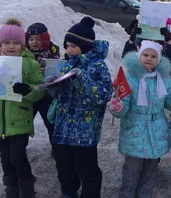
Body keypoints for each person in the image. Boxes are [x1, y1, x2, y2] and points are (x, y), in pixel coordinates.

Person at [46, 17, 113, 198]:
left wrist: (81, 76)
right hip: (63, 128)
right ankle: (68, 193)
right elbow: (60, 96)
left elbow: (103, 95)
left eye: (73, 46)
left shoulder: (97, 66)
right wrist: (52, 86)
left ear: (85, 46)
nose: (69, 50)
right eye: (67, 46)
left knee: (87, 169)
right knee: (64, 169)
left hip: (85, 131)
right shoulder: (66, 64)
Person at [109, 41, 171, 198]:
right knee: (131, 172)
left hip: (156, 131)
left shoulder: (163, 78)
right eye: (145, 55)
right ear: (139, 56)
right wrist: (118, 107)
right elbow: (124, 102)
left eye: (153, 56)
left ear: (158, 59)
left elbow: (168, 98)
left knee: (149, 172)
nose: (149, 59)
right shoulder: (130, 78)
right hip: (134, 131)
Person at [0, 19, 45, 198]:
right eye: (6, 42)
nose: (11, 46)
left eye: (16, 43)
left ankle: (27, 189)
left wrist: (27, 90)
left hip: (20, 118)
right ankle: (11, 189)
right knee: (5, 159)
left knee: (17, 157)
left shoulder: (30, 63)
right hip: (1, 122)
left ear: (22, 44)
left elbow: (40, 91)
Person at [25, 22, 60, 157]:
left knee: (50, 122)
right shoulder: (24, 52)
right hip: (30, 94)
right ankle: (19, 145)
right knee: (25, 122)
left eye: (38, 39)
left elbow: (55, 68)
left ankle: (56, 148)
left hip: (46, 95)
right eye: (31, 39)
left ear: (44, 39)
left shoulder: (52, 50)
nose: (34, 42)